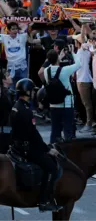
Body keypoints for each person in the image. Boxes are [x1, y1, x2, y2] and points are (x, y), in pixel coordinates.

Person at [10, 78, 62, 212]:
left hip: (17, 145)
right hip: (27, 148)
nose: (34, 93)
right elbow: (33, 134)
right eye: (32, 91)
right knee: (52, 167)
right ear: (28, 92)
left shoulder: (17, 106)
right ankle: (44, 200)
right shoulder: (26, 110)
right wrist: (47, 149)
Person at [43, 46, 82, 143]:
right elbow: (78, 64)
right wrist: (73, 53)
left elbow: (51, 63)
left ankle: (53, 151)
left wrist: (57, 57)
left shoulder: (45, 71)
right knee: (68, 130)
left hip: (53, 104)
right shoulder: (64, 70)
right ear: (57, 59)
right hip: (66, 104)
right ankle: (70, 153)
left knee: (55, 131)